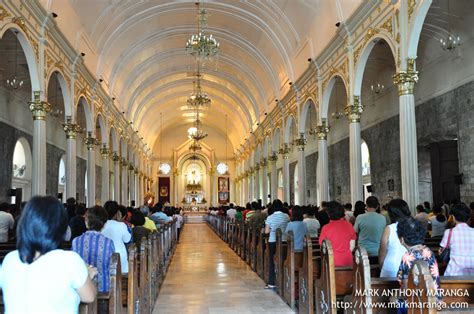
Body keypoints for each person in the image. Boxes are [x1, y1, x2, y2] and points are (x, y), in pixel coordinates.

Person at [1, 196, 96, 313]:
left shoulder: (10, 260)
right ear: (59, 227)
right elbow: (89, 296)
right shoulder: (68, 260)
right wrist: (87, 275)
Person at [396, 217, 441, 307]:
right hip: (434, 301)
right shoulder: (429, 252)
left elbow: (406, 290)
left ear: (402, 240)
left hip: (416, 304)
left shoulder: (407, 257)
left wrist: (396, 297)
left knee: (396, 302)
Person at [72, 206, 115, 293]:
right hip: (103, 289)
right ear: (104, 224)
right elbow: (112, 268)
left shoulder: (76, 242)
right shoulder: (108, 243)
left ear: (86, 222)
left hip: (82, 291)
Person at [378, 199, 411, 277]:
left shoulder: (389, 228)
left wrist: (382, 267)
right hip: (409, 266)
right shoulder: (413, 226)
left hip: (391, 266)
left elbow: (382, 253)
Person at [319, 201, 356, 267]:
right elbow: (352, 246)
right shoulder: (349, 226)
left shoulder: (325, 228)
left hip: (331, 261)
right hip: (347, 260)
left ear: (328, 214)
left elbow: (322, 247)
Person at [440, 203, 474, 276]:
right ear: (468, 218)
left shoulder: (449, 232)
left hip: (454, 273)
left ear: (453, 217)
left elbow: (442, 250)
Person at [264, 199, 290, 289]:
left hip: (273, 241)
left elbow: (266, 231)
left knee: (272, 261)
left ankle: (272, 283)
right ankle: (284, 281)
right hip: (284, 241)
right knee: (284, 260)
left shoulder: (270, 217)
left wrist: (273, 229)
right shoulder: (286, 216)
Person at [102, 201, 132, 274]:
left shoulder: (101, 224)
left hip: (103, 255)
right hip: (119, 255)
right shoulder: (121, 225)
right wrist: (120, 221)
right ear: (117, 213)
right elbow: (127, 239)